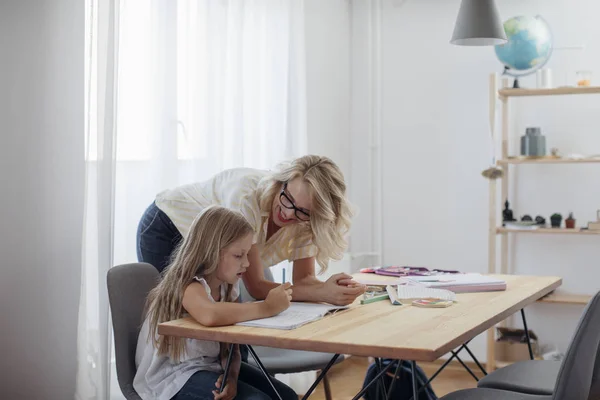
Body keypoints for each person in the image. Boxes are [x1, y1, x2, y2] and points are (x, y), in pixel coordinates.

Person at [136, 155, 366, 306]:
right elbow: (256, 286)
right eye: (287, 199)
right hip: (168, 226)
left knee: (225, 323)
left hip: (212, 246)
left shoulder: (307, 222)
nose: (288, 214)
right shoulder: (245, 195)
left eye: (303, 212)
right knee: (180, 312)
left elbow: (304, 280)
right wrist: (322, 293)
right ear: (282, 182)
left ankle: (236, 377)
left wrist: (329, 289)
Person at [134, 205, 298, 400]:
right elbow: (210, 314)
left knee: (287, 396)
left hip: (214, 367)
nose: (246, 263)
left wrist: (232, 377)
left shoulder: (228, 288)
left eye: (247, 255)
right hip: (174, 377)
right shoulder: (187, 285)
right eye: (239, 255)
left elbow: (233, 347)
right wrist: (266, 307)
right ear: (211, 251)